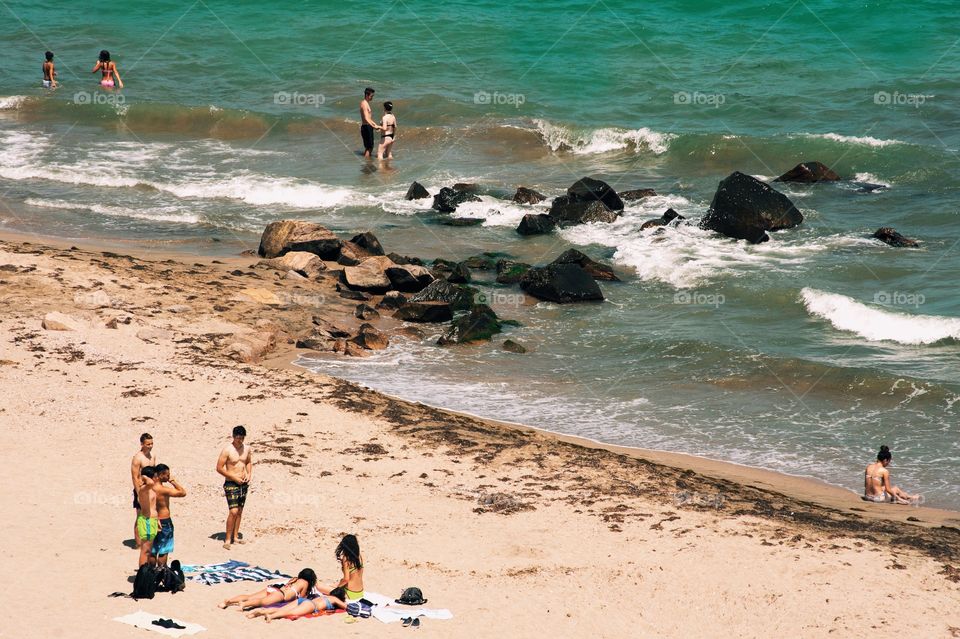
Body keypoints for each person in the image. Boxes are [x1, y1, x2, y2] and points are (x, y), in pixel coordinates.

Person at [216, 425, 252, 549]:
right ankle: (227, 539)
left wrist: (249, 474)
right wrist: (233, 477)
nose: (240, 440)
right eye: (238, 438)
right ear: (233, 436)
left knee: (240, 511)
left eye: (242, 438)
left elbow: (248, 462)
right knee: (233, 511)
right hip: (231, 483)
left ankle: (235, 537)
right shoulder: (227, 450)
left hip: (243, 482)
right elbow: (219, 468)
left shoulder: (247, 449)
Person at [217, 568, 316, 611]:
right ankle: (245, 604)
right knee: (262, 602)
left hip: (274, 588)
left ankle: (228, 602)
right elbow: (301, 599)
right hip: (281, 594)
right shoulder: (305, 583)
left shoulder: (295, 579)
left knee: (249, 596)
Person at [151, 464, 186, 567]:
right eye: (167, 475)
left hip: (152, 519)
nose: (168, 477)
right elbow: (182, 492)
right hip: (164, 520)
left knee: (152, 549)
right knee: (163, 549)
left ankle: (151, 572)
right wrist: (173, 481)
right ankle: (161, 571)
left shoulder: (148, 488)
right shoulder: (163, 490)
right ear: (161, 475)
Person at [247, 587, 347, 622]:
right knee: (288, 612)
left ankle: (259, 612)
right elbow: (346, 607)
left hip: (302, 600)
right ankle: (271, 616)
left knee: (281, 609)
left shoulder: (325, 596)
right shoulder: (334, 599)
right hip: (311, 605)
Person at [316, 534, 364, 601]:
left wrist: (337, 588)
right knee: (333, 584)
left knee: (319, 587)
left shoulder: (346, 559)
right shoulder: (359, 556)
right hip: (360, 592)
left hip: (350, 593)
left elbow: (346, 579)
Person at [131, 433, 158, 548]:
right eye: (148, 444)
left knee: (151, 513)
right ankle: (138, 543)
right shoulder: (138, 458)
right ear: (142, 444)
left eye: (151, 443)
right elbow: (135, 477)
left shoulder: (152, 456)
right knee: (140, 515)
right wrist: (138, 494)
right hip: (141, 489)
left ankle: (149, 539)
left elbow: (154, 473)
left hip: (151, 489)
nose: (150, 446)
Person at [136, 466, 159, 567]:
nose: (156, 478)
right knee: (145, 550)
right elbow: (150, 483)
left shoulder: (150, 489)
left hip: (151, 521)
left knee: (149, 550)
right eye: (154, 476)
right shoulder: (144, 489)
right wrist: (144, 477)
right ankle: (142, 574)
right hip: (147, 521)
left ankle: (146, 573)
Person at [359, 87, 381, 158]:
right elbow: (366, 118)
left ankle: (366, 162)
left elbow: (369, 118)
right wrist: (374, 126)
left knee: (369, 147)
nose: (372, 98)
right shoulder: (364, 104)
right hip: (366, 127)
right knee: (369, 147)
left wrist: (374, 125)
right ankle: (367, 163)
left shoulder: (366, 103)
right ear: (366, 95)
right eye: (371, 96)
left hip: (367, 126)